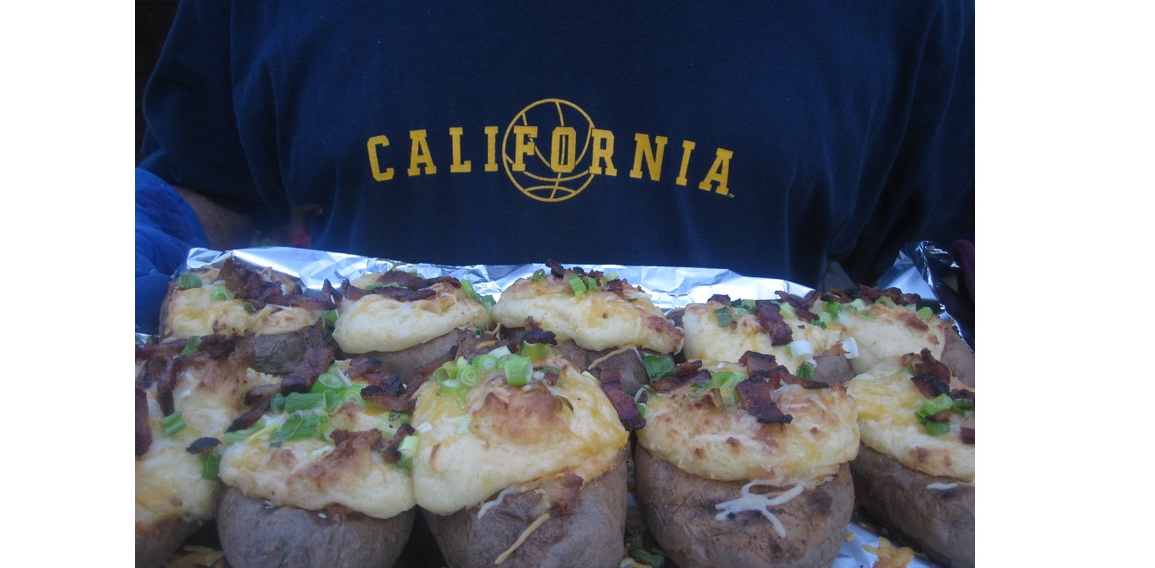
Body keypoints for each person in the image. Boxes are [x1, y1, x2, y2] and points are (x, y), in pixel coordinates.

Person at [136, 0, 974, 333]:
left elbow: (958, 244)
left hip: (760, 473)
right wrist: (143, 235)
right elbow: (206, 183)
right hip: (338, 474)